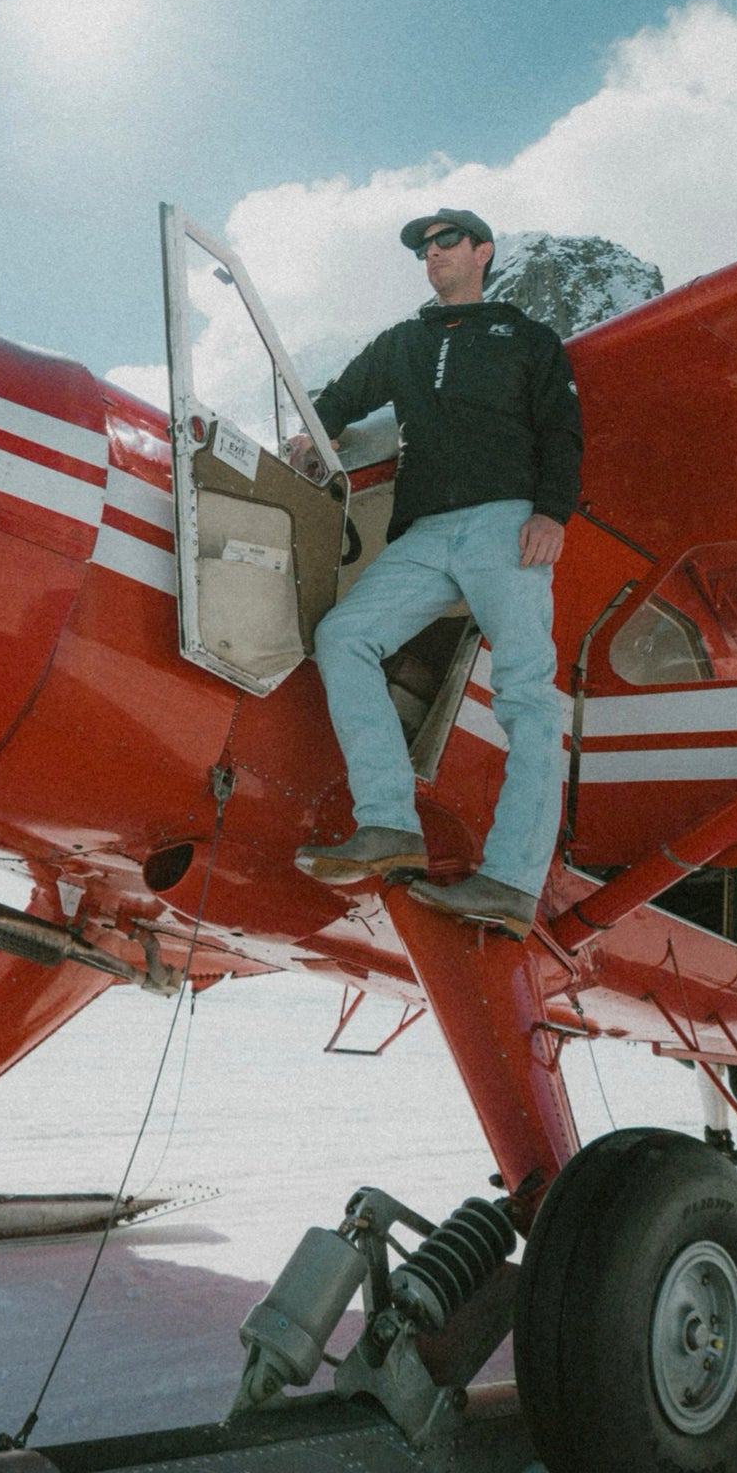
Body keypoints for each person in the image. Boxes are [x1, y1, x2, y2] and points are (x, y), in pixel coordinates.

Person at [293, 209, 583, 939]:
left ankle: (512, 881)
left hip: (506, 522)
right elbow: (341, 394)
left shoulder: (527, 338)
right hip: (424, 532)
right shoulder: (404, 342)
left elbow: (561, 430)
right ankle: (388, 822)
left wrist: (551, 512)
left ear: (483, 251)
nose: (432, 254)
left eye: (447, 241)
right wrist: (319, 427)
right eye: (424, 247)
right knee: (344, 636)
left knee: (527, 698)